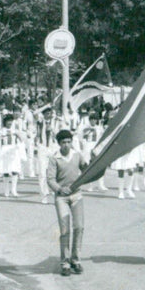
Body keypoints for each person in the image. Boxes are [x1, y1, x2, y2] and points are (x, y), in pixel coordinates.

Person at [46, 129, 89, 277]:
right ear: (59, 144)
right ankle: (64, 262)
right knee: (65, 230)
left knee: (79, 226)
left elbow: (86, 169)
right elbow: (50, 179)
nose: (66, 145)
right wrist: (59, 189)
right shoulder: (54, 158)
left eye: (69, 142)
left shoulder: (77, 155)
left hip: (76, 195)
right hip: (61, 198)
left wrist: (91, 164)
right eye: (63, 142)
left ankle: (75, 260)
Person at [0, 114, 25, 197]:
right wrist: (1, 136)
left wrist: (19, 136)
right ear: (4, 122)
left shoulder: (15, 130)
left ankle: (14, 190)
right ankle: (6, 190)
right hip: (5, 150)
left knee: (14, 170)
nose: (9, 123)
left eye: (11, 121)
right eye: (8, 121)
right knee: (6, 171)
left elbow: (22, 139)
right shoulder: (1, 130)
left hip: (14, 150)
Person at [36, 106, 60, 203]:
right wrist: (46, 105)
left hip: (53, 148)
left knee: (55, 172)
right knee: (42, 173)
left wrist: (53, 130)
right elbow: (35, 113)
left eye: (50, 113)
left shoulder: (56, 122)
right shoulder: (40, 121)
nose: (48, 115)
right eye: (46, 113)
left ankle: (55, 192)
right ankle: (44, 195)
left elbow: (58, 135)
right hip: (42, 148)